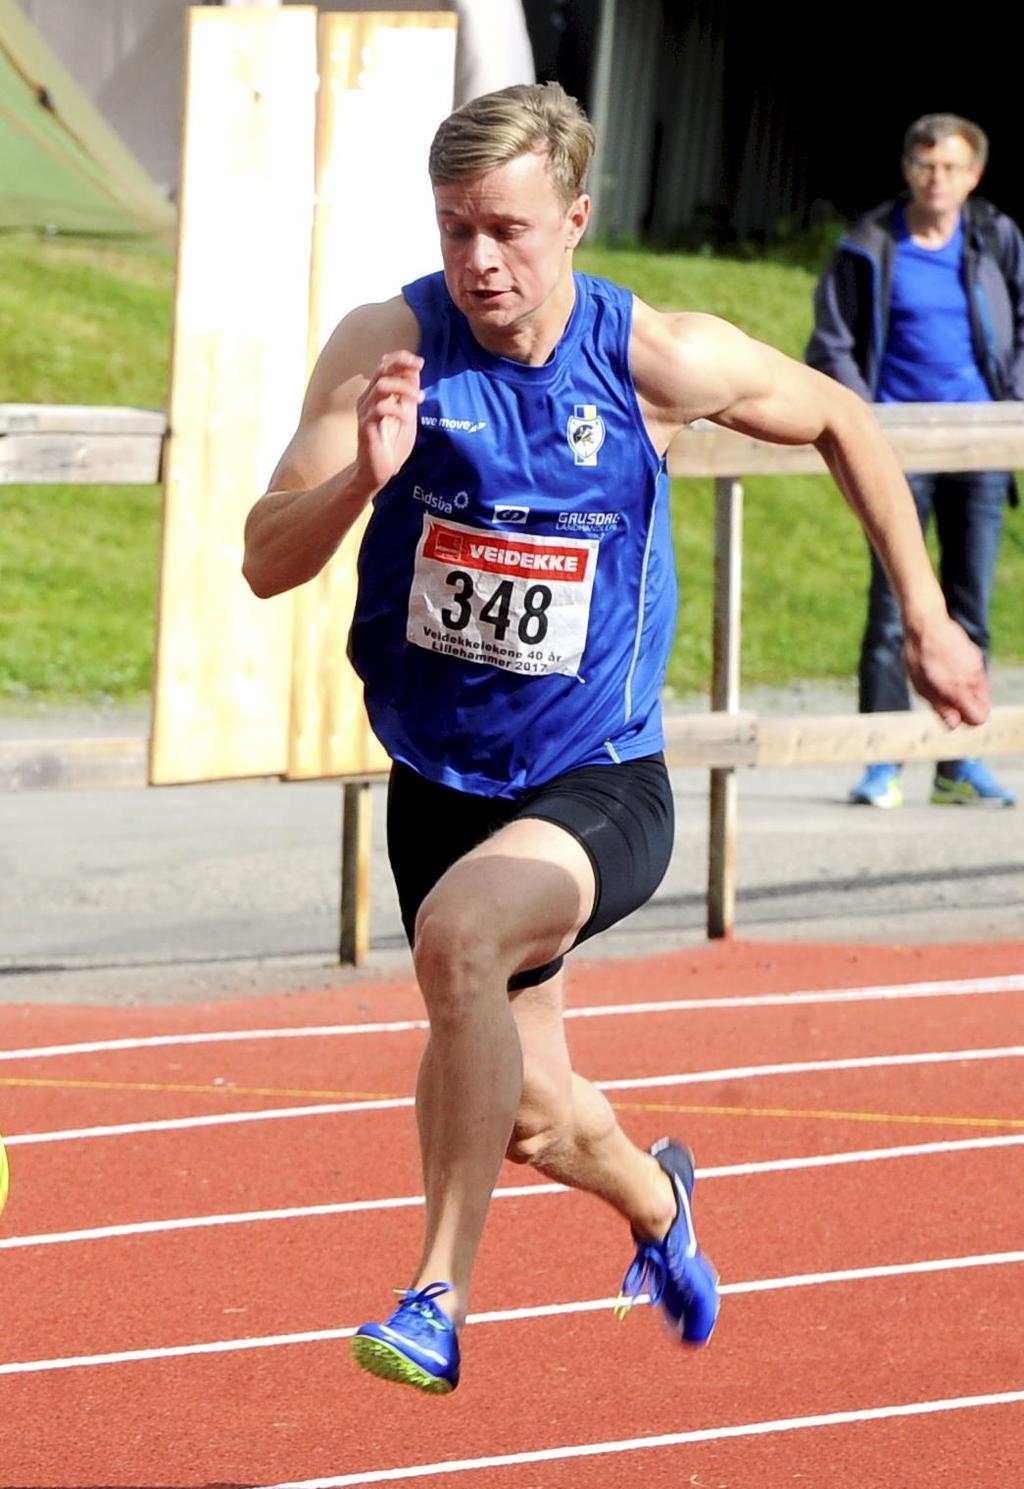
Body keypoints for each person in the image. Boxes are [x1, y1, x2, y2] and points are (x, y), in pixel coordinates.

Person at [243, 83, 989, 1395]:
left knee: (462, 938)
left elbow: (840, 416)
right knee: (530, 1112)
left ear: (575, 219)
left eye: (510, 231)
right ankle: (661, 1206)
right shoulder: (387, 347)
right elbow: (261, 559)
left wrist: (927, 617)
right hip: (439, 784)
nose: (479, 259)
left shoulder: (651, 358)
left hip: (600, 783)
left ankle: (434, 1296)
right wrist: (365, 477)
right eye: (457, 226)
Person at [807, 111, 1023, 810]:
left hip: (981, 442)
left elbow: (1020, 326)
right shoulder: (870, 243)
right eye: (927, 165)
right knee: (896, 610)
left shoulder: (995, 238)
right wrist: (863, 422)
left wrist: (1010, 404)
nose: (939, 179)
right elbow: (832, 342)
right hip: (895, 450)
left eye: (953, 167)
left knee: (971, 608)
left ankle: (960, 762)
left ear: (974, 175)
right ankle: (881, 759)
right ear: (908, 169)